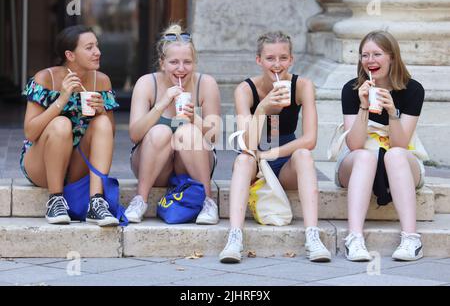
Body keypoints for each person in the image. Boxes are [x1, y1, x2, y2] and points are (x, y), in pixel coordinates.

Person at [219, 31, 331, 263]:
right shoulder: (245, 90)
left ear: (291, 59)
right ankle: (234, 237)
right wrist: (262, 109)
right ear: (259, 60)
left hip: (284, 160)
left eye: (283, 58)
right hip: (255, 162)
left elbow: (310, 139)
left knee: (303, 154)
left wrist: (271, 153)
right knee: (242, 159)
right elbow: (246, 144)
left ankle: (312, 236)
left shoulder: (302, 86)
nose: (277, 64)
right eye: (270, 58)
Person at [337, 30, 426, 261]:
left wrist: (391, 113)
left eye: (377, 54)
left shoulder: (413, 90)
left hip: (401, 161)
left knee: (395, 154)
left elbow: (401, 144)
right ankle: (354, 238)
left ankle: (411, 239)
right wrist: (364, 106)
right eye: (364, 55)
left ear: (392, 57)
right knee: (365, 156)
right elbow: (354, 145)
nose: (370, 60)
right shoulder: (351, 89)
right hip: (357, 161)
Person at [20, 25, 120, 226]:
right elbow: (30, 133)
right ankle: (55, 199)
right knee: (61, 124)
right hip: (41, 164)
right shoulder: (45, 79)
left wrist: (102, 111)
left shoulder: (101, 82)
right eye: (89, 47)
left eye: (97, 46)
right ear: (70, 55)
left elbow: (109, 133)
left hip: (77, 165)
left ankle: (96, 202)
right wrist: (62, 99)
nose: (97, 52)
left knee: (102, 122)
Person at [126, 24, 221, 224]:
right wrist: (161, 105)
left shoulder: (206, 84)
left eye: (187, 62)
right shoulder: (146, 83)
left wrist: (194, 118)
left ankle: (208, 202)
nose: (181, 68)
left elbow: (214, 137)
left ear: (194, 63)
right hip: (153, 165)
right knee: (160, 131)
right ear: (162, 63)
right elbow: (135, 135)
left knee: (187, 132)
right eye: (174, 62)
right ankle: (140, 200)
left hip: (192, 165)